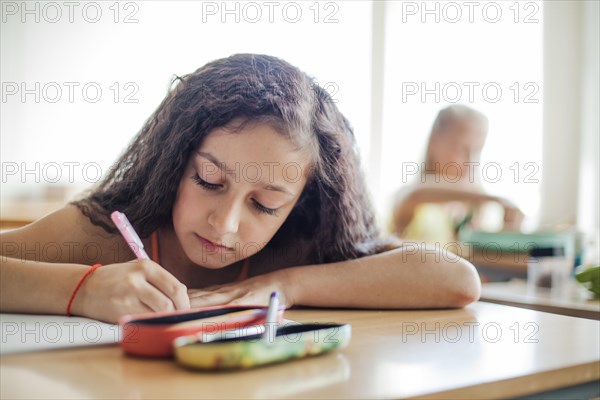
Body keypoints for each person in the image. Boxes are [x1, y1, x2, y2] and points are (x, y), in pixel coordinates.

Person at [0, 54, 481, 323]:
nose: (225, 223)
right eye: (209, 181)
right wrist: (82, 290)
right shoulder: (102, 236)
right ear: (175, 162)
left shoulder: (294, 250)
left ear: (298, 203)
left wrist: (285, 284)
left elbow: (458, 280)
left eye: (265, 205)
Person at [391, 105, 524, 242]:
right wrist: (494, 199)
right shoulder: (411, 199)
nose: (471, 161)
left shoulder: (471, 211)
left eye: (477, 151)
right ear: (433, 143)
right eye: (461, 149)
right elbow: (415, 193)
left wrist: (508, 229)